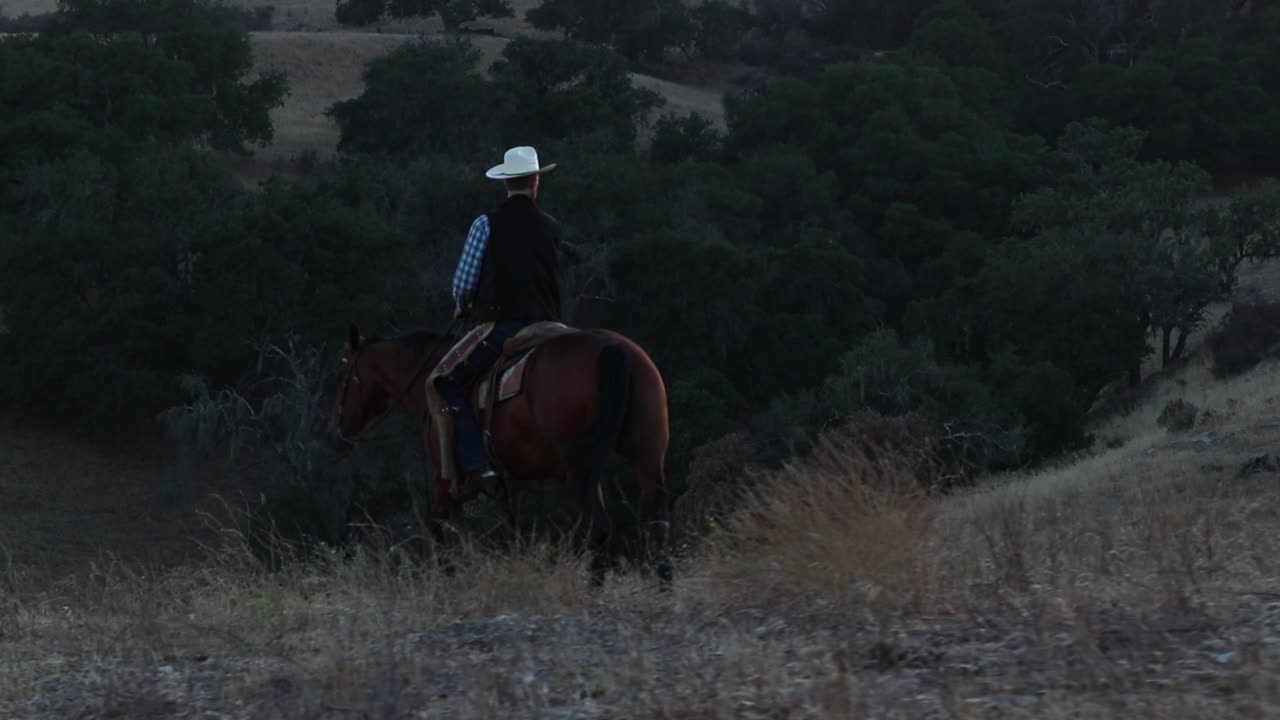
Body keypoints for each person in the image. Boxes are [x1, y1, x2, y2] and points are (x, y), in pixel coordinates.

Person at [432, 145, 564, 494]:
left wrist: (462, 305)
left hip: (504, 326)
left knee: (445, 382)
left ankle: (476, 464)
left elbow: (462, 283)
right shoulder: (551, 227)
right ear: (536, 182)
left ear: (506, 183)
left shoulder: (486, 223)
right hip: (552, 325)